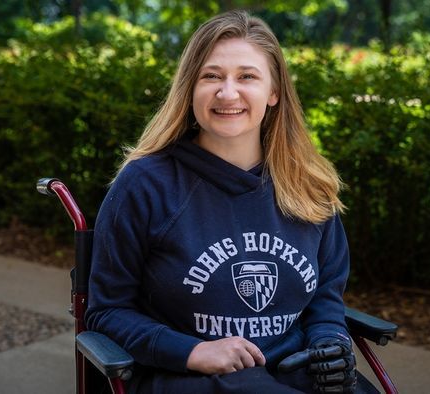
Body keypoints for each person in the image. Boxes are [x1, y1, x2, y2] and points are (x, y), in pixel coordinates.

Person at [86, 9, 367, 394]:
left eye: (247, 76)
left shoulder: (308, 185)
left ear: (274, 92)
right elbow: (106, 312)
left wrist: (330, 341)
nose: (228, 92)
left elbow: (325, 298)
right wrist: (194, 351)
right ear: (190, 89)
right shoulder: (146, 184)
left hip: (292, 370)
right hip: (187, 376)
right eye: (211, 76)